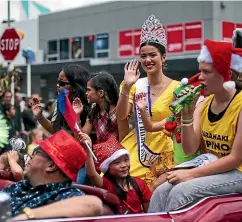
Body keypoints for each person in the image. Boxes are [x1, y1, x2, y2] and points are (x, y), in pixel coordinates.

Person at [148, 39, 242, 212]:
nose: (200, 77)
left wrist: (191, 174)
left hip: (238, 172)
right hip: (213, 166)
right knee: (160, 191)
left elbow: (235, 159)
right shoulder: (204, 105)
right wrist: (187, 114)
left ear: (226, 74)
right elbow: (190, 149)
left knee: (181, 192)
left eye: (207, 72)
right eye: (200, 71)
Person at [116, 14, 180, 187]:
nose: (147, 60)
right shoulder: (135, 85)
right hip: (138, 145)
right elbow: (121, 115)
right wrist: (127, 87)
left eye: (152, 55)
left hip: (166, 149)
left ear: (163, 57)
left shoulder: (177, 88)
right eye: (143, 56)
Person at [1, 130, 102, 220]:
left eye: (36, 153)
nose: (30, 157)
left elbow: (93, 204)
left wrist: (25, 216)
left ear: (51, 165)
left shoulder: (64, 194)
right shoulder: (22, 185)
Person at [79, 133, 152, 214]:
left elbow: (149, 214)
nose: (124, 165)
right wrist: (87, 148)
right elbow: (92, 174)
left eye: (126, 160)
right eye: (117, 163)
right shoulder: (107, 184)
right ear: (107, 167)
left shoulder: (139, 183)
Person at [31, 64, 90, 134]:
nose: (57, 85)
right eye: (58, 81)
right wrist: (40, 116)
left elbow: (84, 139)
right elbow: (55, 130)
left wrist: (77, 117)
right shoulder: (60, 102)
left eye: (61, 83)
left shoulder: (91, 104)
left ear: (75, 86)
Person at [77, 71, 119, 142]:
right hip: (100, 152)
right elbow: (82, 137)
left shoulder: (118, 112)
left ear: (101, 93)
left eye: (89, 90)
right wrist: (77, 115)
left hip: (119, 152)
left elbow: (123, 138)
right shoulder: (94, 112)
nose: (86, 93)